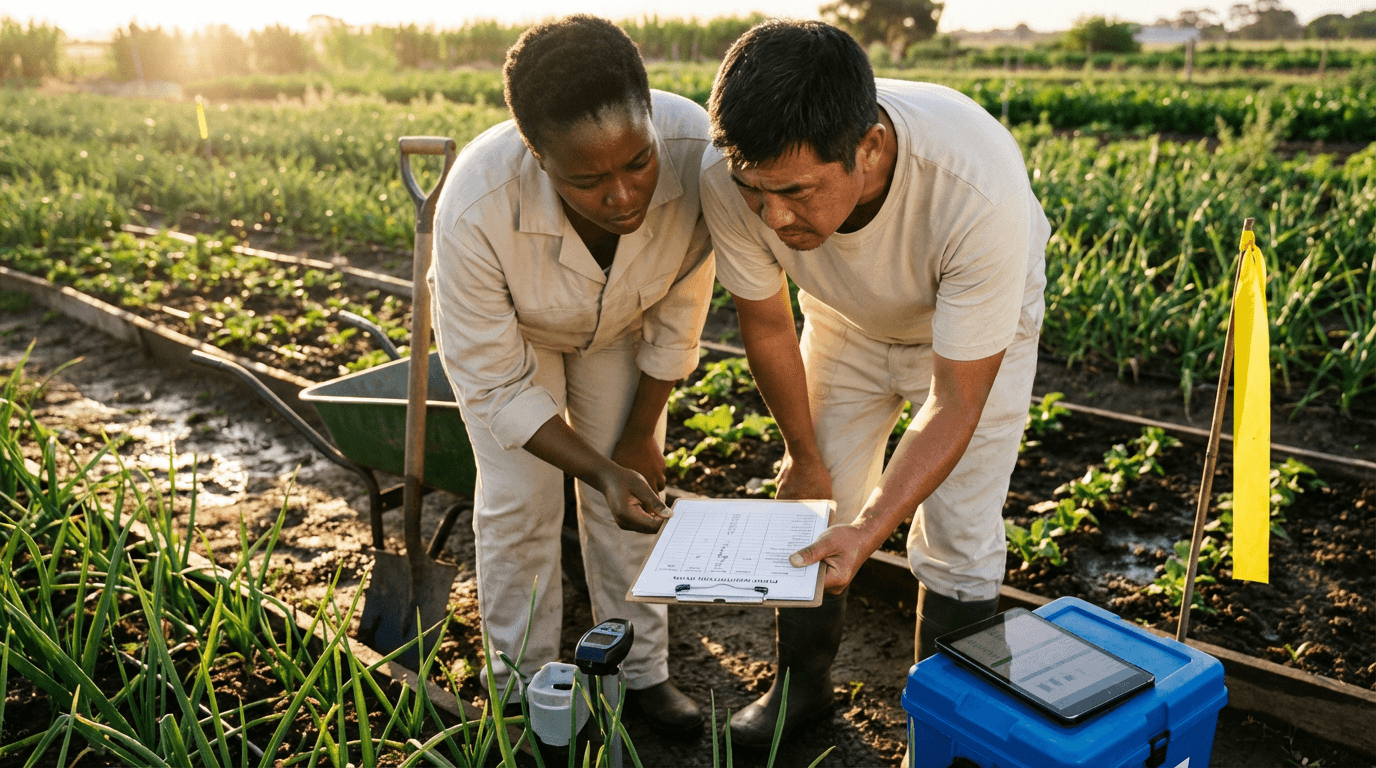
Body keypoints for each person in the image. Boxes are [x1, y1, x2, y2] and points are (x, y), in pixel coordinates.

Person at [700, 19, 1050, 746]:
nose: (773, 215)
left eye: (795, 191)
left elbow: (956, 400)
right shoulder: (730, 176)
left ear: (870, 147)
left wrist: (872, 529)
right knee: (812, 505)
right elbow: (766, 325)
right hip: (844, 321)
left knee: (960, 529)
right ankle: (800, 692)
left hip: (972, 339)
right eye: (755, 191)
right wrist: (803, 454)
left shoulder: (973, 189)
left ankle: (947, 736)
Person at [428, 15, 713, 736]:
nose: (622, 196)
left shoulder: (696, 152)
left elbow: (683, 298)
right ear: (537, 154)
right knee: (521, 503)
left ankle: (642, 672)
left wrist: (640, 436)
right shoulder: (477, 205)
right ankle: (527, 689)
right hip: (519, 343)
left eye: (637, 163)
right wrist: (595, 466)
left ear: (652, 121)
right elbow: (494, 386)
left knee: (635, 498)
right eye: (588, 180)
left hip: (620, 328)